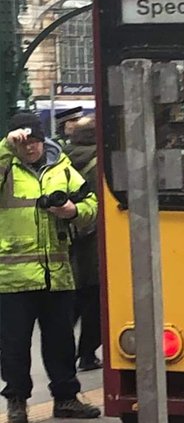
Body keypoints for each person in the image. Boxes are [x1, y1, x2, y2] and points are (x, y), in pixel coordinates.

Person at [0, 111, 101, 423]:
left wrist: (73, 211)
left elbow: (92, 205)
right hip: (13, 278)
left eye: (34, 141)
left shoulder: (63, 168)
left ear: (43, 140)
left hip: (57, 274)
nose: (29, 148)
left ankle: (66, 397)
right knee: (14, 344)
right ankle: (17, 401)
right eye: (23, 142)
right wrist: (5, 148)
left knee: (60, 340)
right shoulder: (6, 168)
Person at [66, 116, 102, 370]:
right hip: (95, 246)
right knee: (95, 303)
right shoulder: (102, 163)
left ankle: (64, 353)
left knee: (71, 305)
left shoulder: (61, 161)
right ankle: (87, 354)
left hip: (67, 244)